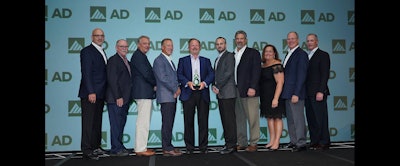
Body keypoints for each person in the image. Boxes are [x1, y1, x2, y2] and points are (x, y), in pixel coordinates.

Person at [177, 38, 215, 154]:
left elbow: (211, 74)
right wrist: (188, 83)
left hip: (202, 93)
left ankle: (203, 147)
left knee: (203, 121)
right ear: (188, 47)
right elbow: (179, 74)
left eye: (196, 45)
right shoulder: (182, 60)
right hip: (188, 93)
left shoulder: (206, 60)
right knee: (188, 122)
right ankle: (189, 147)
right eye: (192, 45)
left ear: (200, 47)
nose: (194, 47)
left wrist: (204, 83)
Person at [78, 28, 107, 160]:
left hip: (100, 94)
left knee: (97, 122)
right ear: (92, 37)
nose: (99, 38)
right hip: (91, 93)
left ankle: (95, 146)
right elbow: (87, 73)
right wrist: (91, 91)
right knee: (88, 122)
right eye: (97, 36)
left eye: (101, 36)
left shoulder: (102, 51)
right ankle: (87, 149)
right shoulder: (87, 51)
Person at [152, 38, 183, 156]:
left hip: (171, 96)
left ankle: (168, 145)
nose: (170, 47)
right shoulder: (159, 60)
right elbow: (163, 78)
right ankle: (167, 148)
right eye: (168, 45)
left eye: (171, 45)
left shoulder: (169, 60)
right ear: (162, 47)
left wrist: (176, 90)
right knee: (167, 123)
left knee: (169, 123)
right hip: (166, 97)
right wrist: (176, 89)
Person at [233, 30, 261, 152]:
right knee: (239, 118)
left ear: (246, 40)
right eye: (237, 38)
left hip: (249, 91)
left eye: (242, 38)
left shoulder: (253, 53)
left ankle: (254, 142)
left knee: (253, 117)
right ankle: (242, 142)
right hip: (235, 91)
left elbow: (256, 71)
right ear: (235, 40)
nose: (239, 40)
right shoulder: (232, 54)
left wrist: (253, 87)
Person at [281, 31, 309, 152]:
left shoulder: (301, 54)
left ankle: (301, 143)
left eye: (293, 38)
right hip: (287, 92)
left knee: (298, 119)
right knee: (291, 119)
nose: (290, 40)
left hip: (295, 93)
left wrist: (296, 93)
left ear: (298, 40)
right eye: (289, 39)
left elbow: (301, 75)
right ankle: (294, 141)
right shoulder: (289, 53)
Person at [130, 35, 156, 156]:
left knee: (144, 121)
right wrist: (155, 84)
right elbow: (147, 74)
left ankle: (141, 146)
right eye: (144, 43)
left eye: (148, 43)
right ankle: (140, 148)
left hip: (144, 92)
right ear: (138, 44)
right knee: (143, 121)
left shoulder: (140, 56)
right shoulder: (138, 56)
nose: (147, 46)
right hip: (143, 92)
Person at [105, 39, 132, 157]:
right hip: (117, 99)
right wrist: (118, 96)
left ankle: (119, 146)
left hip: (125, 99)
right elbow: (112, 80)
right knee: (116, 124)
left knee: (120, 124)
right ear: (116, 47)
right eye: (121, 46)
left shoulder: (126, 61)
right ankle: (116, 148)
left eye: (126, 46)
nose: (124, 48)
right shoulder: (113, 60)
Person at [305, 33, 331, 150]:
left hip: (318, 93)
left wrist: (321, 91)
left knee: (320, 117)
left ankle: (324, 141)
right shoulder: (306, 56)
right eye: (308, 41)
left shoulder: (323, 55)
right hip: (307, 93)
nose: (309, 43)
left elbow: (325, 74)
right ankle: (314, 140)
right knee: (311, 118)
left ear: (317, 42)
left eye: (312, 40)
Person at [212, 37, 237, 154]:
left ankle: (232, 145)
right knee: (225, 120)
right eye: (217, 44)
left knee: (229, 121)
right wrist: (213, 85)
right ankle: (228, 144)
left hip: (228, 93)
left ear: (226, 44)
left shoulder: (229, 56)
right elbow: (216, 75)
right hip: (221, 94)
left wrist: (217, 86)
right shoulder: (218, 58)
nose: (219, 46)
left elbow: (228, 73)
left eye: (221, 44)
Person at [259, 44, 285, 151]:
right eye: (266, 51)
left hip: (275, 95)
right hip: (265, 96)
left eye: (270, 51)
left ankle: (277, 141)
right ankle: (272, 140)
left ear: (274, 53)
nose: (268, 53)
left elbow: (280, 82)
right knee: (269, 118)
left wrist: (276, 98)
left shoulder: (277, 65)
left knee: (277, 118)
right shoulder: (263, 65)